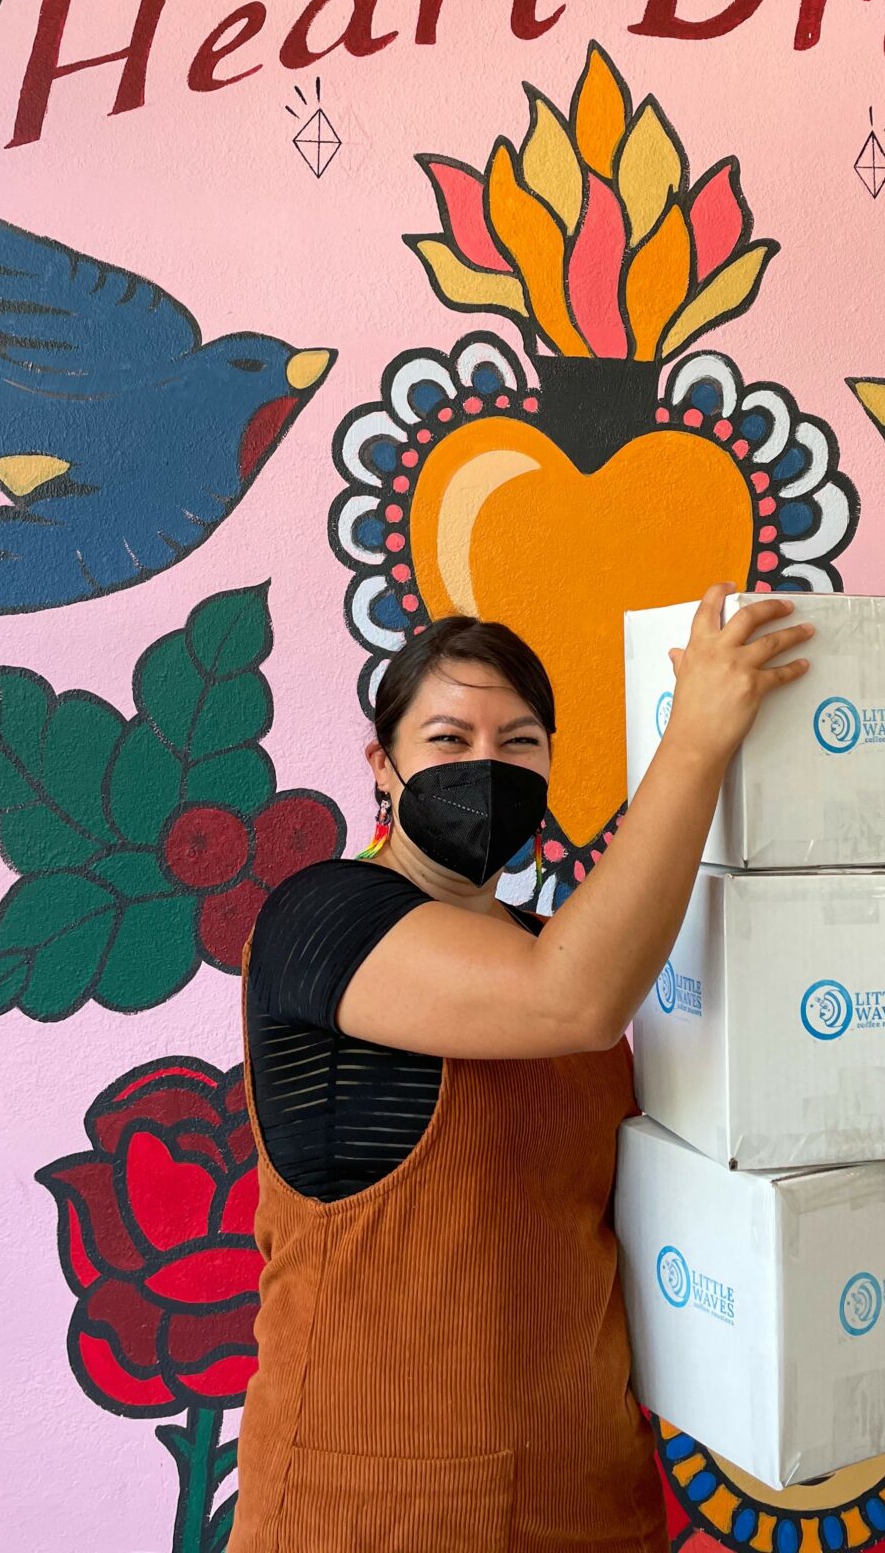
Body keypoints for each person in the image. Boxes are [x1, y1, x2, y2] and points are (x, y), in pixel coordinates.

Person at [230, 584, 811, 1553]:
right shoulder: (321, 918)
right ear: (383, 766)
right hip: (374, 1507)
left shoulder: (558, 942)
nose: (486, 765)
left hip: (590, 1496)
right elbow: (570, 1000)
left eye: (519, 742)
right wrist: (698, 738)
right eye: (448, 739)